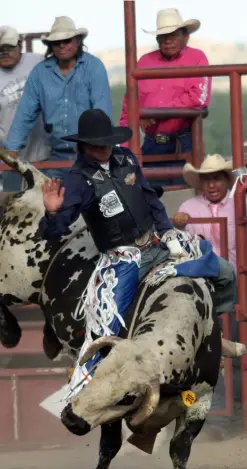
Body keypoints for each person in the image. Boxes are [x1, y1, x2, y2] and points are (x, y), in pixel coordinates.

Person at [39, 109, 245, 383]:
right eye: (98, 144)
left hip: (156, 242)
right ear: (84, 146)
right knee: (106, 327)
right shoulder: (77, 181)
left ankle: (213, 335)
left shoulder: (125, 158)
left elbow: (149, 198)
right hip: (121, 259)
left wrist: (167, 232)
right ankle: (90, 382)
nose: (104, 149)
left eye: (107, 142)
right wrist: (52, 213)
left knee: (224, 272)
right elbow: (56, 230)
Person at [4, 17, 112, 181]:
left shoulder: (94, 67)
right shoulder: (40, 73)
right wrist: (11, 149)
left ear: (77, 41)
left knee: (98, 198)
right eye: (56, 42)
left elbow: (102, 110)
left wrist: (101, 146)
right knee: (52, 200)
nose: (62, 45)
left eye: (67, 40)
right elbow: (25, 113)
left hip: (90, 151)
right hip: (56, 153)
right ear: (50, 46)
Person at [119, 8, 212, 193]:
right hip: (152, 143)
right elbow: (129, 105)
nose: (168, 40)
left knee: (185, 196)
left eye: (173, 35)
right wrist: (126, 148)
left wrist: (156, 113)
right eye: (163, 36)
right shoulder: (145, 62)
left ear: (185, 36)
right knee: (149, 197)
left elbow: (198, 99)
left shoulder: (197, 58)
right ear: (157, 39)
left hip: (184, 141)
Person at [0, 25, 49, 191]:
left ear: (20, 44)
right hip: (9, 159)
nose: (4, 52)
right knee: (11, 205)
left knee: (47, 204)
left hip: (44, 152)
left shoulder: (38, 62)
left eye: (9, 47)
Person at [173, 154, 238, 271]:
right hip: (201, 278)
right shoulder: (187, 207)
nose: (211, 185)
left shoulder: (241, 204)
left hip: (236, 275)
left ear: (227, 180)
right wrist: (179, 221)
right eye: (206, 180)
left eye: (216, 178)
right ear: (201, 182)